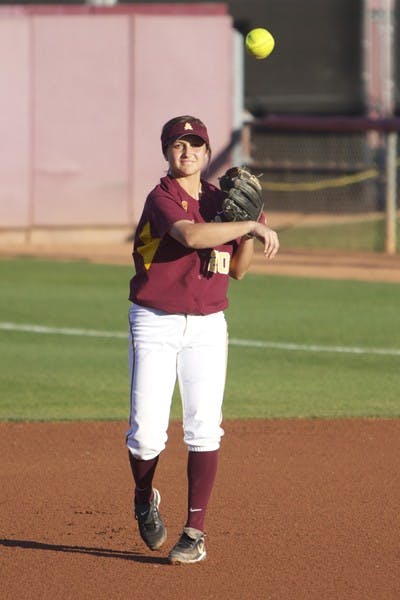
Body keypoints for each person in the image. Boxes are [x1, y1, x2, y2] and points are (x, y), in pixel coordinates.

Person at [126, 115, 279, 565]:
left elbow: (239, 269)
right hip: (155, 320)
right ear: (167, 152)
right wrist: (248, 226)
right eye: (178, 144)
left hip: (209, 324)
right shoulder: (162, 198)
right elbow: (191, 236)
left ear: (208, 154)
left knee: (203, 427)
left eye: (195, 145)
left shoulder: (222, 200)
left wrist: (248, 223)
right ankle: (142, 495)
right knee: (145, 437)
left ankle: (195, 532)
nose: (187, 152)